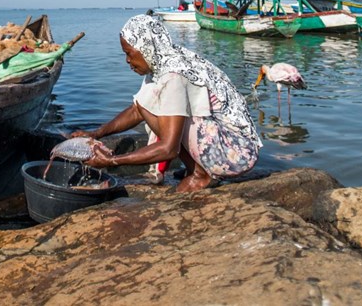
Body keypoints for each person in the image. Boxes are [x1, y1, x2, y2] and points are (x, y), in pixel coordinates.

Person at [72, 13, 261, 192]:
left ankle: (200, 174)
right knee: (152, 105)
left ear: (146, 47)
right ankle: (195, 168)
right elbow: (138, 110)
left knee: (168, 117)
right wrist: (97, 133)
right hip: (225, 145)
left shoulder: (173, 74)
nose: (127, 60)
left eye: (129, 53)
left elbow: (169, 148)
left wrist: (113, 161)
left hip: (236, 154)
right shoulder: (162, 62)